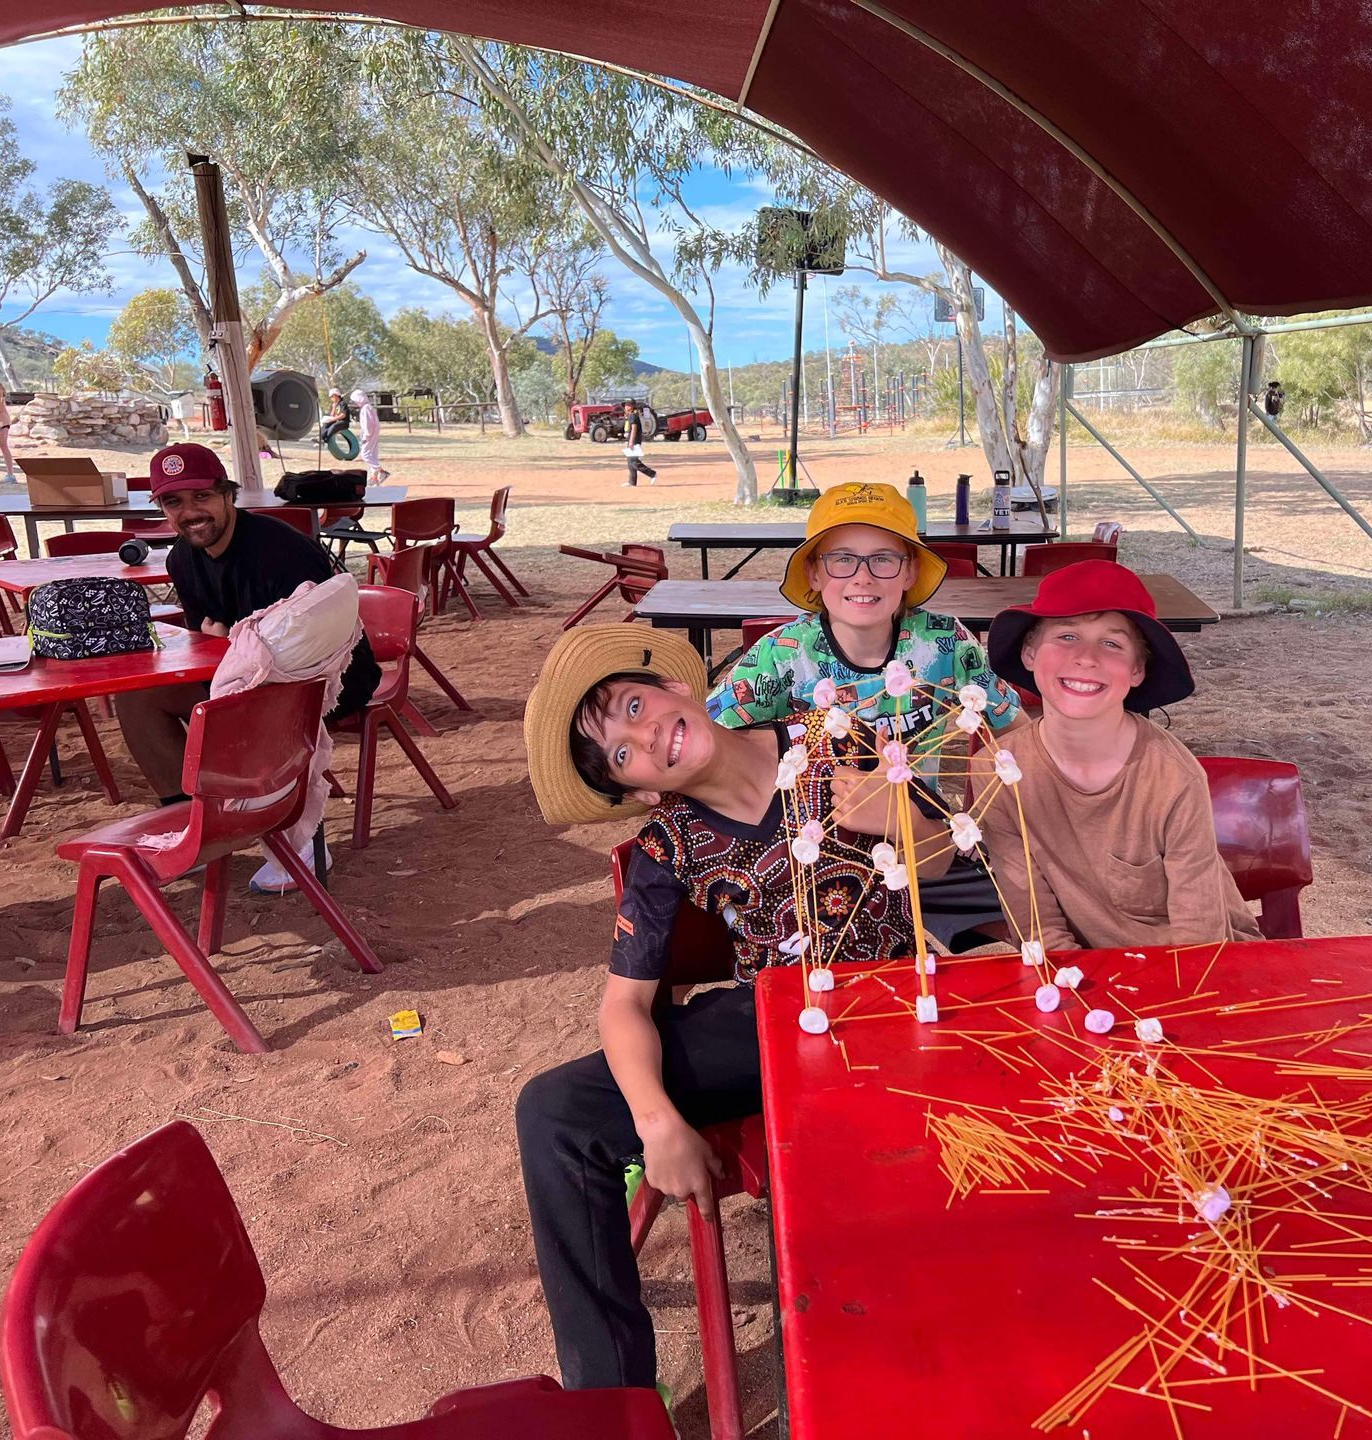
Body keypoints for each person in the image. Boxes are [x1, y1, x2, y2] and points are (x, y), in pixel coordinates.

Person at [516, 623, 955, 1393]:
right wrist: (656, 1121)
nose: (645, 734)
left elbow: (950, 850)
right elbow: (624, 1005)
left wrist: (895, 817)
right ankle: (614, 1404)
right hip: (774, 1023)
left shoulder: (834, 739)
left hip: (901, 1003)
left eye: (633, 704)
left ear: (679, 690)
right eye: (623, 752)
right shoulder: (668, 844)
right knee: (554, 1113)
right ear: (643, 790)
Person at [708, 481, 1021, 941]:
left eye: (883, 559)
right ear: (815, 574)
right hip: (813, 859)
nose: (862, 577)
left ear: (910, 571)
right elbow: (710, 737)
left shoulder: (946, 643)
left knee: (1030, 913)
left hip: (922, 845)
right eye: (841, 559)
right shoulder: (780, 658)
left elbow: (1015, 732)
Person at [114, 442, 380, 891]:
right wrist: (231, 646)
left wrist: (231, 644)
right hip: (242, 675)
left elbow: (306, 647)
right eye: (173, 502)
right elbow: (208, 639)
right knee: (137, 696)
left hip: (330, 676)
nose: (190, 513)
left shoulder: (282, 551)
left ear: (227, 495)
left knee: (249, 709)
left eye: (202, 497)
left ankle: (301, 842)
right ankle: (191, 826)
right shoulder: (182, 559)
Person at [969, 559, 1262, 953]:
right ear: (1029, 653)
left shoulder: (1174, 777)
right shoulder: (998, 770)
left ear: (1137, 669)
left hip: (1189, 964)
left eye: (1111, 643)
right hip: (1086, 974)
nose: (1087, 658)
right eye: (1067, 636)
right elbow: (1035, 920)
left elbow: (1201, 940)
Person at [353, 388, 388, 480]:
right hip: (373, 433)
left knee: (365, 454)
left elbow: (369, 423)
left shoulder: (366, 408)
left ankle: (381, 471)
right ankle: (374, 477)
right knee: (372, 454)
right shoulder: (368, 407)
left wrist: (367, 435)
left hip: (370, 434)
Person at [621, 399, 655, 486]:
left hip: (634, 440)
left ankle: (652, 474)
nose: (626, 407)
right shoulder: (631, 415)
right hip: (632, 440)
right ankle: (632, 482)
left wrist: (631, 442)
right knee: (630, 462)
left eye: (628, 405)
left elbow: (634, 429)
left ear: (632, 406)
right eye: (625, 405)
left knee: (634, 461)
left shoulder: (633, 416)